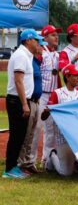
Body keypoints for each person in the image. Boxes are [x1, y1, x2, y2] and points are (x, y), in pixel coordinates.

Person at [3, 29, 41, 179]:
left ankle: (14, 167)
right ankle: (10, 169)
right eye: (36, 40)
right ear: (28, 40)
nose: (37, 42)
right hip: (17, 100)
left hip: (18, 100)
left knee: (20, 136)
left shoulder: (25, 55)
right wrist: (25, 104)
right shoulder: (20, 55)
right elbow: (18, 81)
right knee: (17, 136)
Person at [41, 64, 78, 176]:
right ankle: (52, 155)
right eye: (75, 75)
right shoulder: (58, 93)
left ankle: (73, 162)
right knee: (66, 174)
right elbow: (44, 117)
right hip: (62, 136)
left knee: (76, 166)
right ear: (68, 77)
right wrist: (47, 111)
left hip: (76, 136)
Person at [18, 37, 46, 174]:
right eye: (41, 45)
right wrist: (24, 103)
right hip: (29, 100)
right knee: (26, 133)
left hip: (36, 101)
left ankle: (28, 162)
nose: (42, 48)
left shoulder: (36, 61)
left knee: (31, 133)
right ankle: (21, 163)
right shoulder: (28, 60)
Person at [37, 25, 62, 168]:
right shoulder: (41, 54)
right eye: (53, 35)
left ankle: (48, 159)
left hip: (54, 96)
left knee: (52, 129)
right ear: (45, 38)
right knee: (38, 129)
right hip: (42, 96)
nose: (56, 37)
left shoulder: (57, 55)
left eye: (56, 34)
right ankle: (35, 160)